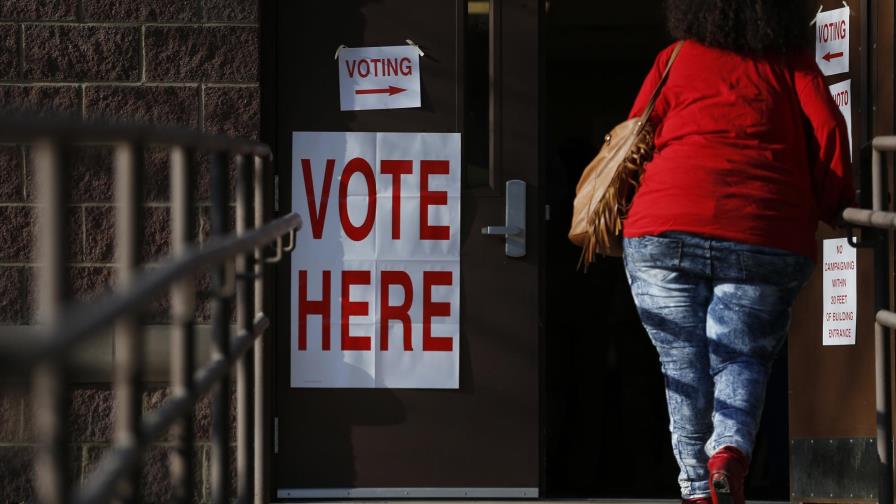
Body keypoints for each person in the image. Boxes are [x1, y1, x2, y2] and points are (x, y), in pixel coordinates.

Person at [621, 1, 854, 504]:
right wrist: (836, 205)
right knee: (741, 357)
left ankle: (698, 490)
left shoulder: (675, 57)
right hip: (763, 232)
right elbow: (830, 134)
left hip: (662, 230)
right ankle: (728, 452)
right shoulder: (790, 59)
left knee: (682, 367)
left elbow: (635, 134)